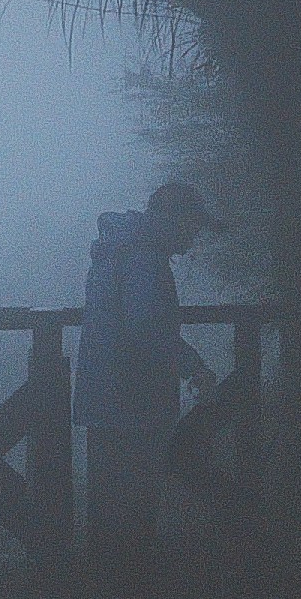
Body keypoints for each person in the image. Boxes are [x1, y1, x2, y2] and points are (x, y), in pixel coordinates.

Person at [75, 177, 214, 559]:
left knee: (107, 505)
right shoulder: (143, 258)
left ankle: (107, 595)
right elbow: (148, 327)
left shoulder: (117, 251)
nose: (194, 235)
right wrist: (194, 366)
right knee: (134, 508)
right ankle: (132, 598)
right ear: (173, 221)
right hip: (135, 400)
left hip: (104, 395)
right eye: (192, 225)